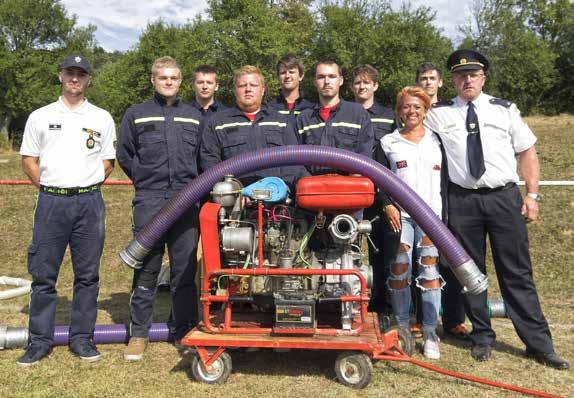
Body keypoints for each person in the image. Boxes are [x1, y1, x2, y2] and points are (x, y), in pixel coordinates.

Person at [425, 49, 569, 369]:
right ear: (452, 79)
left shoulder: (504, 110)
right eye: (461, 75)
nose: (467, 80)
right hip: (462, 201)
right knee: (470, 274)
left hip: (504, 199)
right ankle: (482, 336)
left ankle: (538, 344)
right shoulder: (438, 113)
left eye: (473, 74)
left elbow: (527, 151)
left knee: (516, 272)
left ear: (483, 77)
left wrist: (532, 196)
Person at [17, 55, 116, 366]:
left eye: (81, 74)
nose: (75, 78)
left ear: (88, 79)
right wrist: (52, 188)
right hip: (51, 203)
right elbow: (29, 159)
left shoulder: (101, 117)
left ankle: (82, 339)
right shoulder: (40, 116)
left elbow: (108, 162)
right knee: (44, 275)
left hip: (89, 203)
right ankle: (40, 341)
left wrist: (83, 185)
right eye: (70, 73)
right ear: (60, 75)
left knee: (87, 275)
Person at [117, 56, 201, 361]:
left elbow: (203, 158)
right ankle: (139, 333)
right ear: (153, 80)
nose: (169, 82)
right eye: (163, 77)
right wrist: (143, 179)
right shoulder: (136, 114)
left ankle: (184, 330)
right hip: (150, 200)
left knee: (184, 270)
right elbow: (125, 154)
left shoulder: (193, 116)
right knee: (147, 268)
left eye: (174, 78)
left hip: (185, 199)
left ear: (180, 81)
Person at [380, 86, 447, 359]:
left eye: (417, 107)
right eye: (406, 107)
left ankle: (430, 331)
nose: (412, 112)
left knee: (429, 273)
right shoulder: (388, 142)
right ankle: (403, 328)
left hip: (431, 217)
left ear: (425, 111)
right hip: (402, 217)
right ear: (399, 111)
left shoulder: (437, 141)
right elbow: (380, 178)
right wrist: (387, 204)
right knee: (399, 271)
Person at [416, 62, 468, 341]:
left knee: (448, 257)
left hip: (450, 192)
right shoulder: (410, 114)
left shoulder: (449, 113)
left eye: (432, 78)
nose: (427, 83)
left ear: (440, 83)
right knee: (417, 258)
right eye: (423, 78)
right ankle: (419, 315)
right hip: (417, 195)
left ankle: (453, 318)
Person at [350, 64, 398, 329]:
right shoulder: (346, 113)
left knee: (383, 255)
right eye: (357, 83)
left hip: (382, 195)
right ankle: (355, 301)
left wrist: (388, 197)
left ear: (375, 86)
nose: (362, 87)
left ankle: (384, 306)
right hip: (353, 194)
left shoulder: (388, 117)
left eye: (367, 83)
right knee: (349, 250)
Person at [200, 65, 302, 187]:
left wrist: (281, 188)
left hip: (276, 198)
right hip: (235, 200)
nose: (248, 89)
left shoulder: (281, 121)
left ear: (263, 89)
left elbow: (294, 161)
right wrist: (230, 192)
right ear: (235, 90)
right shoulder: (217, 123)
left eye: (253, 85)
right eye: (242, 86)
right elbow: (209, 163)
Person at [296, 59, 374, 175]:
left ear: (341, 80)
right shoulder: (303, 118)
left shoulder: (358, 114)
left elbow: (365, 158)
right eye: (321, 77)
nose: (327, 81)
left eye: (332, 76)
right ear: (315, 82)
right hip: (313, 188)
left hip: (349, 188)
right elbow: (295, 161)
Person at [267, 54, 314, 119]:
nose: (287, 76)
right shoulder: (269, 109)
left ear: (301, 76)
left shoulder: (311, 109)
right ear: (278, 77)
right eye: (283, 73)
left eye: (291, 72)